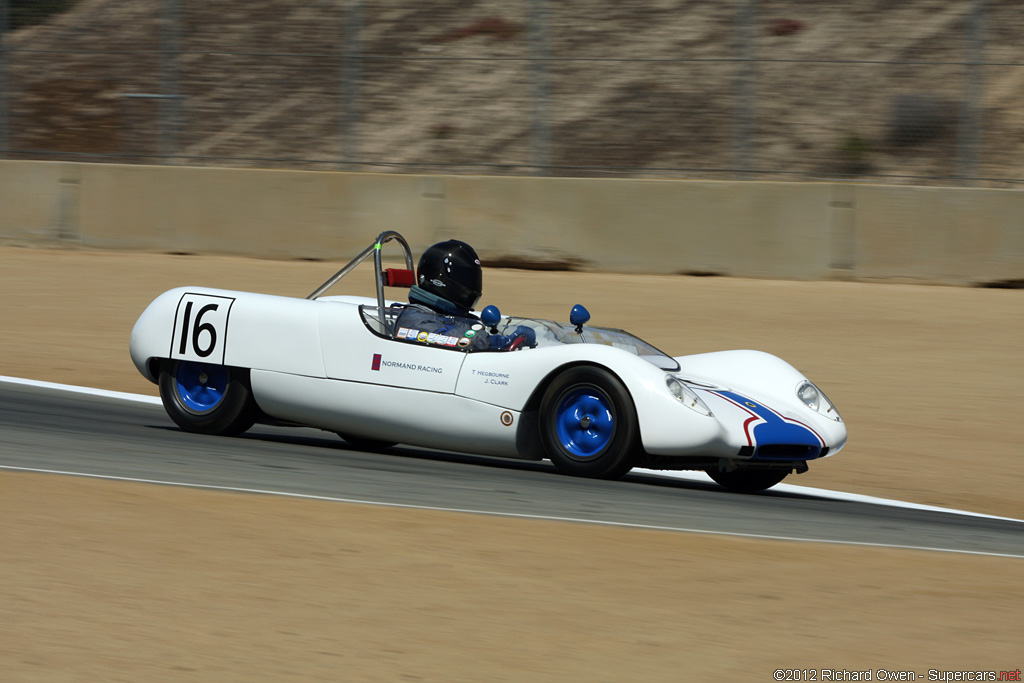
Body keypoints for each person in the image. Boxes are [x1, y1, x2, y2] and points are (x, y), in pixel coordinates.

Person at [394, 240, 534, 351]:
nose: (471, 284)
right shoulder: (414, 319)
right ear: (438, 280)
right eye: (464, 277)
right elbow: (459, 341)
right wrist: (504, 341)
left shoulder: (457, 317)